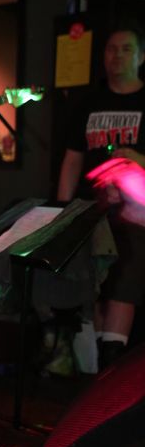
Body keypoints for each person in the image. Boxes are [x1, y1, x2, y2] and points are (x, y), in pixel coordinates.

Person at [57, 24, 145, 368]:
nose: (117, 55)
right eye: (111, 49)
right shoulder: (88, 103)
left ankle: (112, 358)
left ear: (141, 56)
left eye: (126, 48)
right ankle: (98, 360)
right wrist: (62, 210)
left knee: (125, 277)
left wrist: (137, 159)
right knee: (92, 280)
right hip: (92, 208)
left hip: (136, 213)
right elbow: (72, 159)